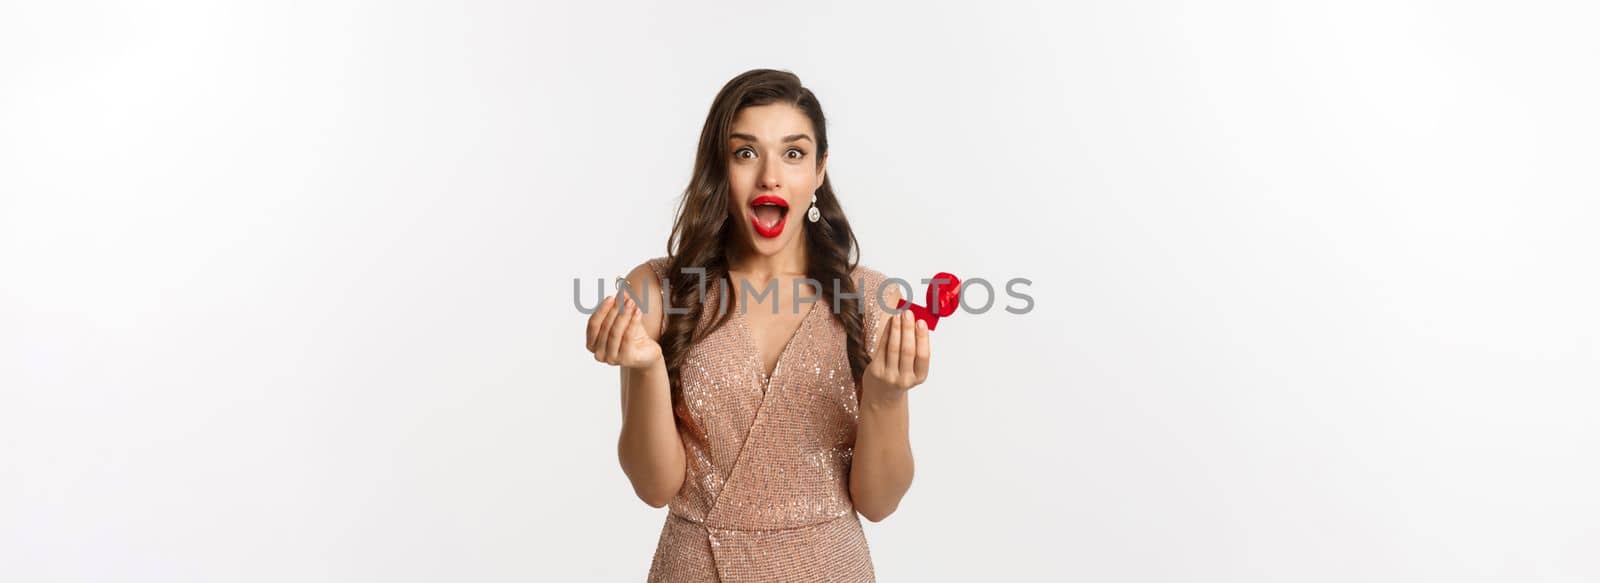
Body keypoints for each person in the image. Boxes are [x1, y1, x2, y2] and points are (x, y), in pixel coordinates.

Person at [584, 69, 931, 582]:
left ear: (819, 171)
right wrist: (647, 368)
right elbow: (654, 488)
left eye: (793, 154)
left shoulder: (875, 300)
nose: (770, 175)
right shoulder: (661, 290)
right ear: (719, 170)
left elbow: (879, 503)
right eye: (745, 152)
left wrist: (884, 396)